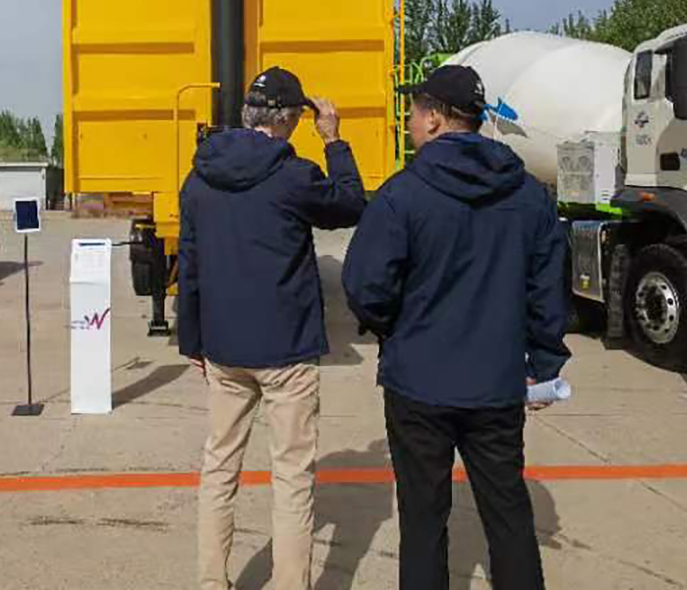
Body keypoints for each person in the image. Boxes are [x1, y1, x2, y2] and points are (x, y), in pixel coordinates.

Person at [341, 65, 570, 590]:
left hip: (418, 383)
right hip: (496, 383)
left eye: (414, 111)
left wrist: (396, 330)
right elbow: (547, 291)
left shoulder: (402, 194)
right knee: (508, 513)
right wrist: (544, 364)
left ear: (436, 119)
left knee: (423, 520)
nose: (409, 121)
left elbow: (365, 286)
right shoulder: (528, 195)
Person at [178, 66, 366, 590]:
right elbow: (350, 204)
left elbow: (189, 264)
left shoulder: (199, 177)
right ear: (286, 119)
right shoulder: (294, 175)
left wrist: (192, 340)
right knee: (292, 478)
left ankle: (212, 582)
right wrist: (334, 140)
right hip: (286, 349)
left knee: (219, 468)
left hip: (224, 349)